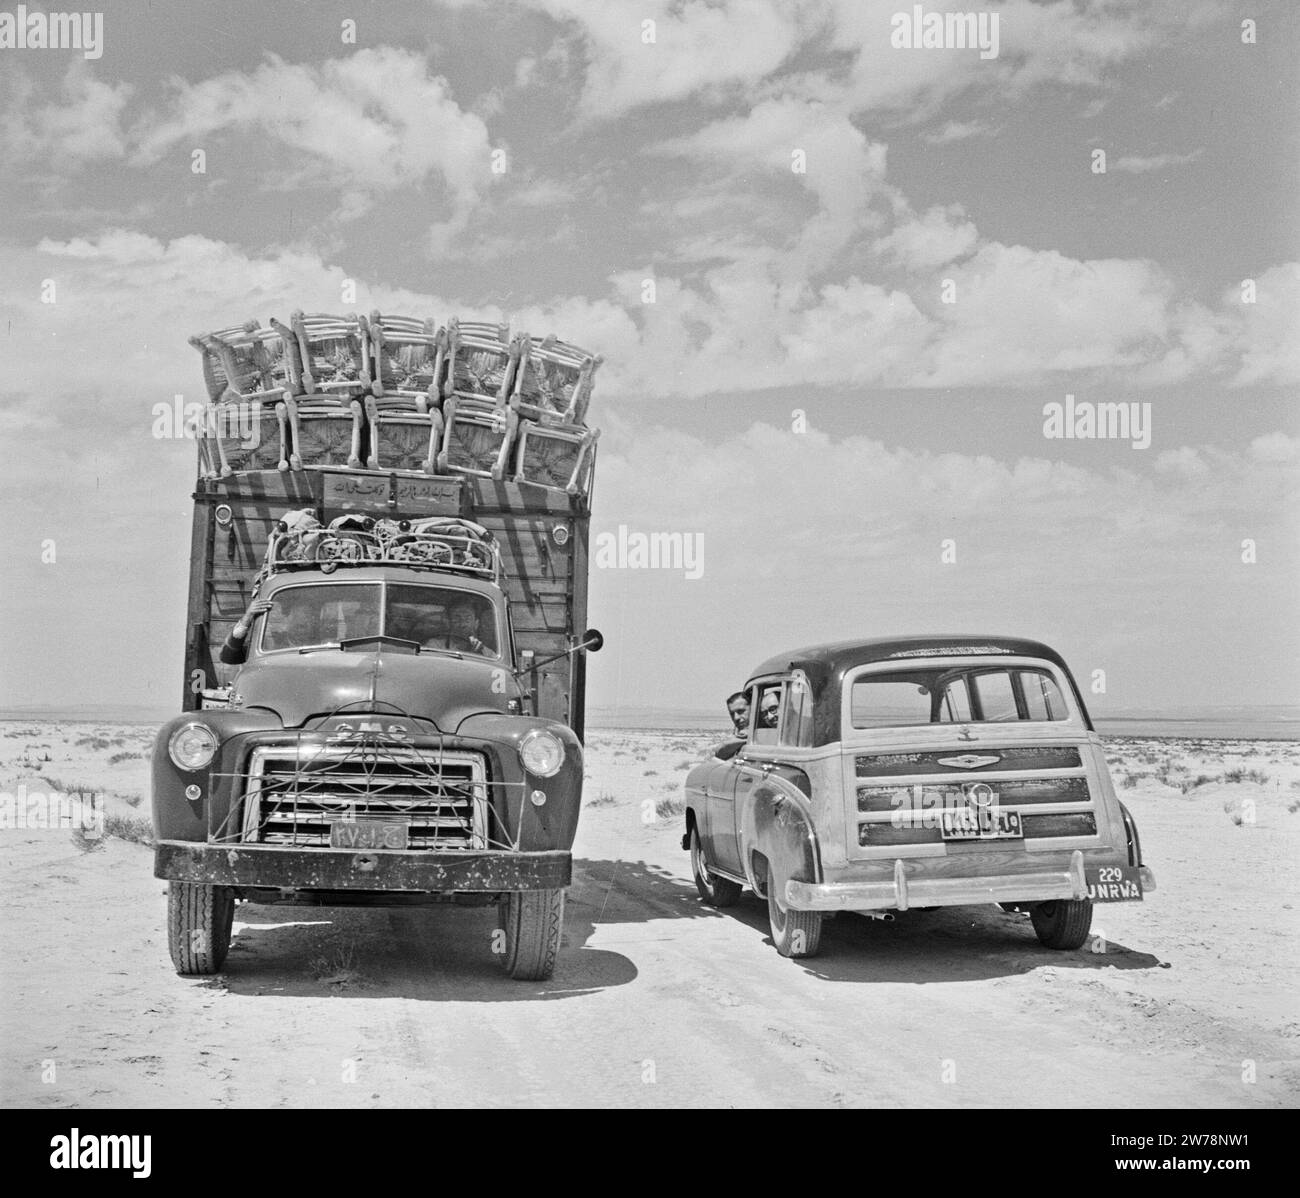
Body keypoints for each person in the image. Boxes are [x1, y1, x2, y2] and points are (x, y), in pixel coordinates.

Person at [219, 597, 273, 664]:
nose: (269, 625)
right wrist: (248, 616)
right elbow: (228, 657)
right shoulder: (258, 647)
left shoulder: (284, 641)